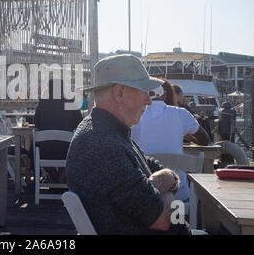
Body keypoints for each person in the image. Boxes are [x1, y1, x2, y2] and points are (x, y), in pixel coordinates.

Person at [66, 54, 190, 235]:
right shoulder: (104, 145)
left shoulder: (107, 131)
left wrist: (166, 179)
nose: (149, 101)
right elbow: (163, 220)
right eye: (144, 91)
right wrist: (169, 184)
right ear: (119, 94)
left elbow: (151, 165)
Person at [132, 78, 210, 201]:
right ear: (164, 96)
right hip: (179, 194)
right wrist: (185, 134)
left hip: (147, 196)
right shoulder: (181, 114)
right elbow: (205, 140)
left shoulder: (134, 117)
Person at [34, 79, 83, 183]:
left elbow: (36, 124)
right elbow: (79, 123)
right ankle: (60, 177)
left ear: (49, 89)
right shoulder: (70, 102)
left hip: (45, 151)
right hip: (66, 151)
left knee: (33, 151)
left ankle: (55, 176)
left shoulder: (43, 103)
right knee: (74, 150)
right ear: (62, 89)